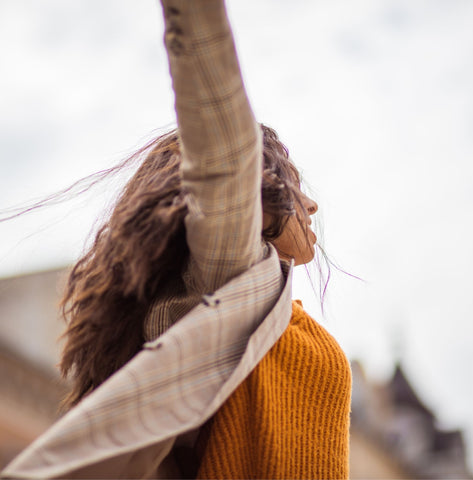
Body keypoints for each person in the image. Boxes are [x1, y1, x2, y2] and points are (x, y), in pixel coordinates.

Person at [2, 1, 351, 478]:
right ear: (255, 194)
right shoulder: (230, 275)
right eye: (293, 182)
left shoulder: (269, 306)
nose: (311, 206)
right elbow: (222, 136)